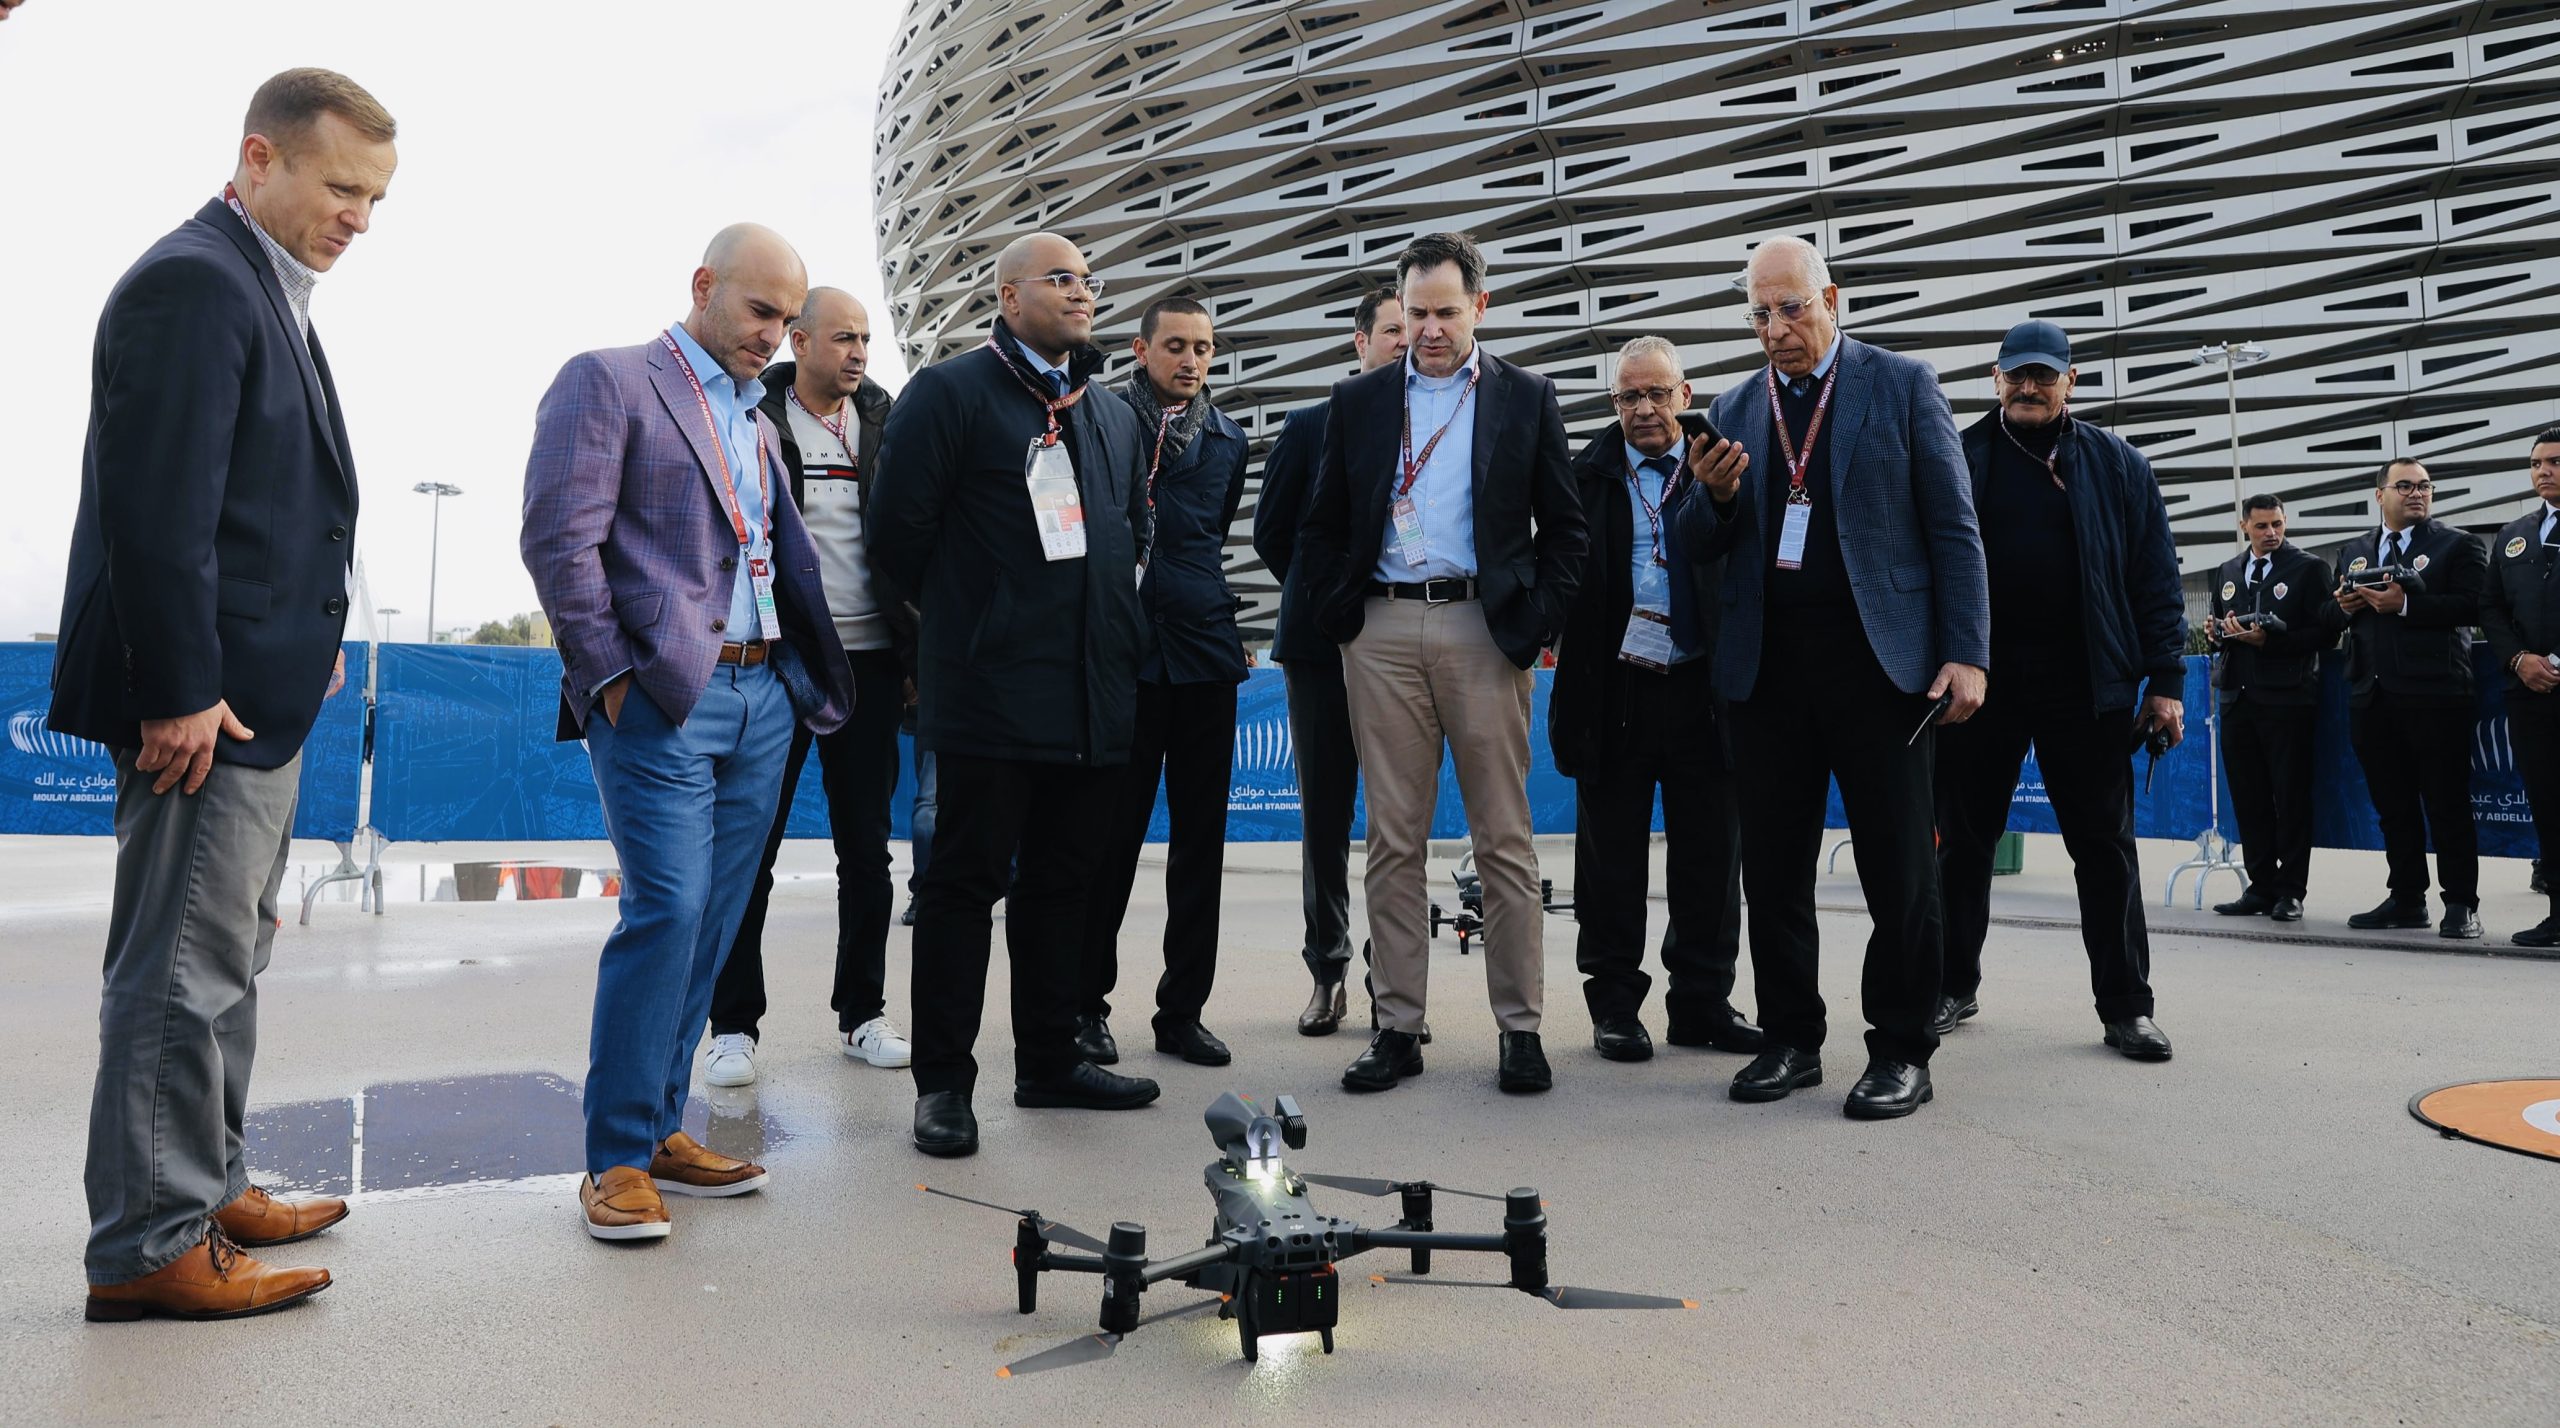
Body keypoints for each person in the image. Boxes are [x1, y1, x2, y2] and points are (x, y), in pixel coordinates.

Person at [54, 69, 392, 1321]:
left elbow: (259, 511)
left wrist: (307, 635)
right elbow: (160, 512)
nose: (359, 216)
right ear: (259, 159)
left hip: (256, 692)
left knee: (231, 958)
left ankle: (209, 1184)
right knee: (180, 976)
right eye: (341, 186)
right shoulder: (198, 281)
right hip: (207, 714)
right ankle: (151, 1240)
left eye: (376, 197)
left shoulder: (262, 286)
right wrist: (181, 690)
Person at [521, 225, 853, 1241]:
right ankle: (615, 1159)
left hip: (764, 695)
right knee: (666, 910)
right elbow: (558, 540)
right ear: (703, 286)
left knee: (714, 919)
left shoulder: (755, 418)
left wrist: (789, 683)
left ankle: (661, 1127)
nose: (774, 335)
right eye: (759, 312)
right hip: (665, 695)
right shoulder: (609, 380)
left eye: (787, 320)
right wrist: (612, 680)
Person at [1670, 235, 1987, 1120]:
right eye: (1759, 314)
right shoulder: (1733, 406)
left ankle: (1902, 1049)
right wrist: (1715, 496)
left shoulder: (1903, 384)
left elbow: (1955, 527)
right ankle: (1790, 1040)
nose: (1776, 329)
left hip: (1883, 668)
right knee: (1773, 872)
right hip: (1767, 672)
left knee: (1900, 872)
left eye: (1791, 308)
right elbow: (1692, 541)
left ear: (1832, 300)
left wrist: (1968, 651)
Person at [869, 232, 1162, 1158]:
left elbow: (1132, 537)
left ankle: (1048, 1062)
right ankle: (944, 1087)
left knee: (1064, 885)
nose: (1083, 291)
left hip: (1092, 696)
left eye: (1089, 278)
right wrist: (977, 627)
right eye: (1061, 278)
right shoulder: (949, 393)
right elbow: (897, 539)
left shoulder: (1111, 414)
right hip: (990, 695)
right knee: (962, 888)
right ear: (1008, 296)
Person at [1296, 231, 1589, 1096]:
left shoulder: (1525, 396)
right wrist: (1342, 620)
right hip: (1381, 632)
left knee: (1503, 838)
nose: (1428, 329)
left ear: (1480, 308)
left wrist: (1533, 623)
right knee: (1393, 839)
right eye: (1415, 313)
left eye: (1446, 313)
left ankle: (1520, 1030)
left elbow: (1566, 529)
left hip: (1483, 632)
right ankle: (1397, 1027)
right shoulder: (1359, 401)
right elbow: (1320, 524)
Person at [1930, 321, 2185, 1063]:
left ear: (2071, 381)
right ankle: (1951, 985)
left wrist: (2166, 682)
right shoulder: (1957, 457)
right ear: (1995, 377)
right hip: (1981, 684)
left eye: (2044, 375)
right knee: (1962, 847)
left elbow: (2156, 578)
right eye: (2017, 374)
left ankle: (2127, 1007)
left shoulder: (2117, 463)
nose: (2029, 387)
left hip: (2088, 685)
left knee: (2105, 850)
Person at [700, 288, 912, 1088]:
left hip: (872, 664)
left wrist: (917, 649)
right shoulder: (753, 415)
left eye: (866, 339)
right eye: (844, 338)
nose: (859, 352)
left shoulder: (887, 420)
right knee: (748, 850)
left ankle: (863, 1014)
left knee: (867, 850)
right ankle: (732, 1027)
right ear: (801, 341)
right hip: (781, 661)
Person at [1547, 336, 1761, 1062]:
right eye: (1629, 396)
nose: (1644, 408)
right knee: (1610, 862)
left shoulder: (1724, 464)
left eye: (1657, 394)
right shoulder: (1583, 476)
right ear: (1615, 403)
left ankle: (1702, 1004)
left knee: (1711, 857)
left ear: (1685, 395)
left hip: (1704, 686)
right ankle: (1614, 1007)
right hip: (1613, 690)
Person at [1075, 298, 1252, 1067]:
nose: (1191, 360)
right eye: (1176, 345)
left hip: (1206, 654)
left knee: (1200, 846)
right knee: (1108, 841)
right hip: (1125, 657)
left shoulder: (1228, 439)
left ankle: (1182, 1012)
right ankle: (1085, 1008)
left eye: (1203, 348)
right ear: (1141, 349)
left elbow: (1212, 534)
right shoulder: (1102, 424)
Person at [1251, 287, 1405, 1037]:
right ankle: (1327, 972)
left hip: (1407, 649)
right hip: (1320, 651)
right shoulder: (1310, 425)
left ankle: (1394, 980)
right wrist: (1330, 603)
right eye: (1392, 330)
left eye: (1415, 328)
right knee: (1325, 820)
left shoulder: (1434, 426)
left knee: (1398, 820)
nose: (1406, 340)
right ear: (1360, 342)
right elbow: (1272, 532)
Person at [2318, 458, 2488, 939]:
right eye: (2406, 486)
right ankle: (2407, 898)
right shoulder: (2354, 551)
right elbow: (2327, 620)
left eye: (2425, 486)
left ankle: (2461, 903)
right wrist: (2342, 607)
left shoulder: (2458, 544)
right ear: (2380, 495)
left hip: (2437, 695)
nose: (2417, 493)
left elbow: (2477, 606)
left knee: (2447, 804)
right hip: (2371, 697)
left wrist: (2407, 604)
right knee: (2393, 806)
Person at [2207, 495, 2335, 923]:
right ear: (2244, 525)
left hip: (2288, 699)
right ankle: (2260, 885)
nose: (2271, 533)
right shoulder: (2227, 571)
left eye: (2277, 524)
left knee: (2290, 798)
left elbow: (2326, 633)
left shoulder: (2308, 568)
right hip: (2237, 698)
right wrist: (2217, 633)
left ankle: (2291, 891)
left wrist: (2272, 641)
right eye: (2262, 526)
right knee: (2249, 798)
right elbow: (2222, 627)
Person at [2479, 429, 2560, 947]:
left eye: (2554, 461)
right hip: (2530, 693)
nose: (2543, 471)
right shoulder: (2515, 534)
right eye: (2536, 463)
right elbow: (2490, 606)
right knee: (2549, 803)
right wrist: (2518, 659)